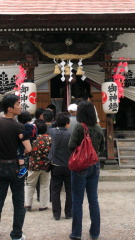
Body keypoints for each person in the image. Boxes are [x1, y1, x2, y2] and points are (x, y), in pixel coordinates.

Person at [0, 94, 31, 240]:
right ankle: (16, 234)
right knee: (18, 203)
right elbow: (28, 148)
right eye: (18, 104)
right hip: (15, 168)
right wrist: (20, 152)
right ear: (10, 109)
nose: (20, 106)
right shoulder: (19, 126)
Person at [68, 101, 105, 240]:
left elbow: (71, 145)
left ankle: (76, 233)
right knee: (93, 199)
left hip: (80, 166)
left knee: (77, 200)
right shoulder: (98, 128)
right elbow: (102, 148)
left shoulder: (79, 127)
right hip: (94, 166)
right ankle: (95, 232)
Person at [48, 112, 73, 220]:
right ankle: (69, 213)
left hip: (56, 165)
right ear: (67, 123)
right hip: (69, 165)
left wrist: (57, 122)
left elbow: (50, 126)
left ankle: (56, 214)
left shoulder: (53, 132)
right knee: (70, 190)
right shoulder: (71, 134)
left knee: (55, 190)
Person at [24, 119, 51, 211]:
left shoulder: (32, 139)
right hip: (46, 165)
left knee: (30, 184)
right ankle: (43, 205)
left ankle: (28, 204)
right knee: (44, 185)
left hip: (33, 165)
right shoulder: (49, 139)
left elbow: (27, 151)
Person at [17, 111, 37, 178]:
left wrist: (23, 134)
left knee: (20, 153)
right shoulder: (34, 125)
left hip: (28, 140)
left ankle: (22, 168)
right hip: (33, 141)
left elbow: (29, 132)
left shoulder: (26, 125)